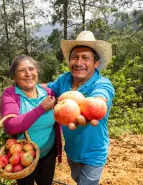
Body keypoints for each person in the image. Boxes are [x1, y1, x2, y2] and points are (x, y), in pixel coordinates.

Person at [47, 31, 115, 185]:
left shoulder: (102, 83)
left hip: (94, 154)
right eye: (75, 57)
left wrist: (93, 106)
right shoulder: (64, 79)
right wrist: (29, 87)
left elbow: (100, 98)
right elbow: (47, 89)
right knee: (77, 179)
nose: (79, 63)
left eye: (85, 58)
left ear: (96, 63)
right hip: (72, 151)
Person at [0, 55, 62, 185]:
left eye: (31, 69)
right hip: (22, 159)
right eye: (22, 71)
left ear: (37, 71)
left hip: (48, 154)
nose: (28, 74)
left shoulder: (49, 93)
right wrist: (41, 109)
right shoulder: (10, 94)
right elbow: (10, 126)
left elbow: (58, 118)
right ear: (14, 77)